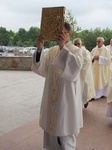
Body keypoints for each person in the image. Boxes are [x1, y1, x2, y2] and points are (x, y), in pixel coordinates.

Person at [31, 22, 87, 150]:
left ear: (69, 34)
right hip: (51, 98)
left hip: (66, 99)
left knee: (65, 132)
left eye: (62, 33)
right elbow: (42, 69)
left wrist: (63, 47)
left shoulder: (77, 50)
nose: (59, 36)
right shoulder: (52, 51)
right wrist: (40, 48)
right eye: (57, 33)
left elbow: (74, 70)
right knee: (51, 133)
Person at [73, 38, 95, 108]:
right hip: (74, 73)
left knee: (83, 89)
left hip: (82, 74)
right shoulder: (71, 51)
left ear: (81, 44)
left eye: (78, 44)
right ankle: (76, 104)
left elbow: (88, 61)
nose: (77, 45)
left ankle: (85, 101)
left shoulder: (85, 52)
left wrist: (78, 62)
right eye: (75, 44)